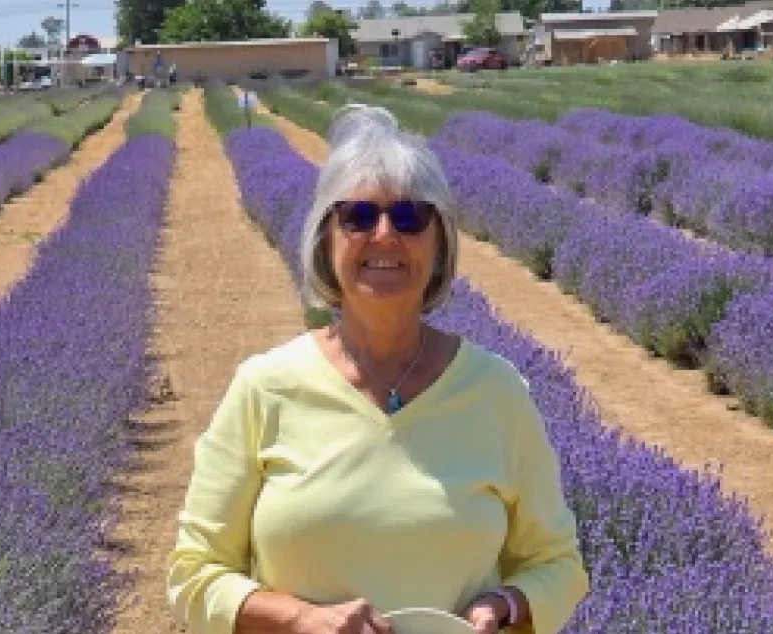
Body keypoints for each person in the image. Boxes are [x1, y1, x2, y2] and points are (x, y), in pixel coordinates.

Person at [165, 105, 589, 634]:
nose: (385, 235)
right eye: (358, 217)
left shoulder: (496, 392)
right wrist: (300, 620)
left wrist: (503, 606)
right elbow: (193, 574)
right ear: (326, 241)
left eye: (410, 217)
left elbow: (559, 565)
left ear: (439, 247)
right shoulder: (265, 388)